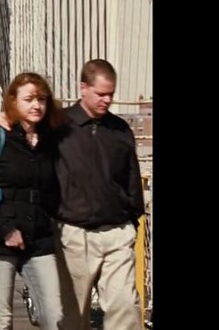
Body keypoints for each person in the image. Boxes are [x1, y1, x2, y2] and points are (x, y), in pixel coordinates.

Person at [0, 72, 64, 329]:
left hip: (40, 240)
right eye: (28, 99)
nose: (36, 105)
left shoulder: (51, 140)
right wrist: (5, 230)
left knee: (55, 316)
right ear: (12, 102)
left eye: (41, 99)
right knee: (1, 321)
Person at [55, 60, 145, 330]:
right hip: (73, 234)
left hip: (117, 233)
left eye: (111, 94)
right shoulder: (59, 127)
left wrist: (132, 220)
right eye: (101, 94)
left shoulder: (120, 130)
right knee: (72, 317)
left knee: (126, 309)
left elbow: (131, 177)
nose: (107, 100)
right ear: (83, 88)